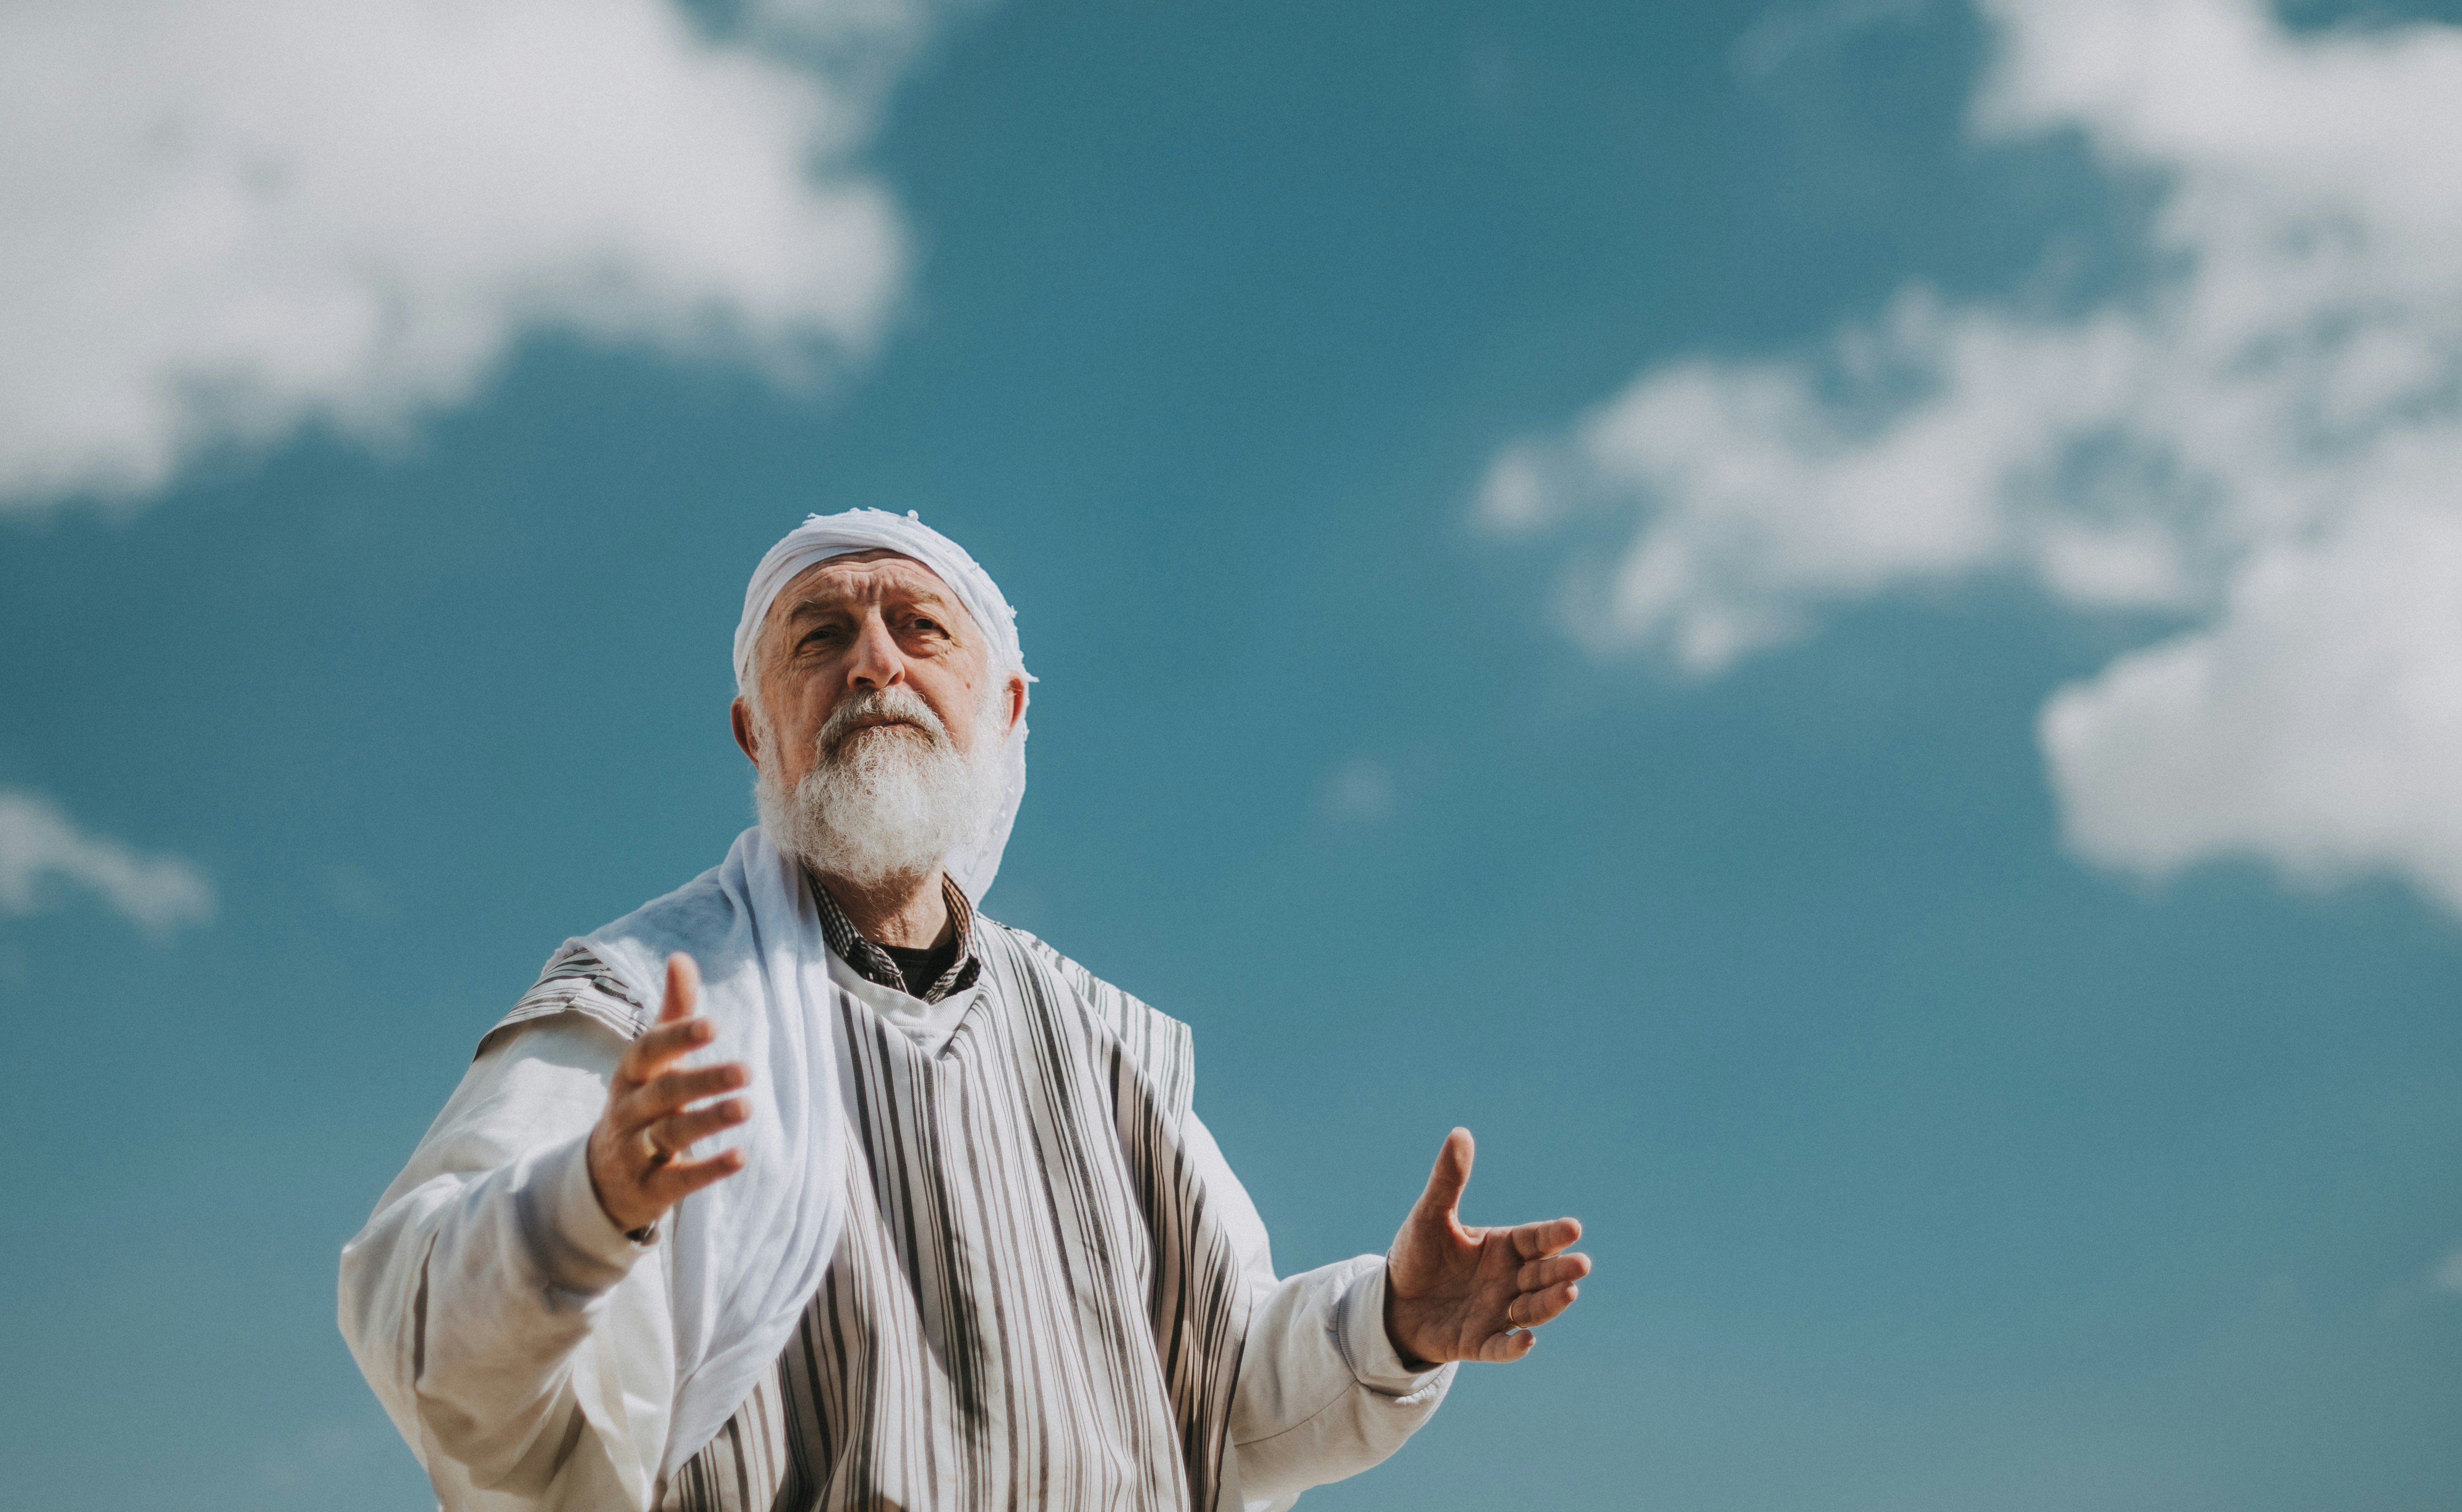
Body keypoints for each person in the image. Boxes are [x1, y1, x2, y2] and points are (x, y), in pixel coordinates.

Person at [339, 509, 1590, 1511]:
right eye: (818, 637)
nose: (873, 660)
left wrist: (1393, 1326)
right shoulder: (646, 1006)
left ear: (1005, 709)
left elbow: (1226, 1404)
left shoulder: (1103, 1044)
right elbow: (415, 1321)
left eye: (918, 627)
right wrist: (587, 1201)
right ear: (753, 731)